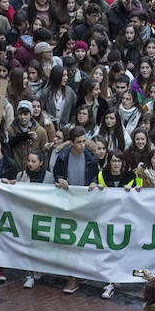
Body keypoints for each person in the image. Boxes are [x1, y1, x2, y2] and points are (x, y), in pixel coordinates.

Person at [53, 126, 99, 293]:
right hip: (68, 203)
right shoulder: (63, 156)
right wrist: (60, 178)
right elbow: (56, 172)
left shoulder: (91, 158)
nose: (82, 145)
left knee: (81, 241)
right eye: (78, 142)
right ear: (71, 143)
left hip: (85, 203)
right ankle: (72, 278)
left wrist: (94, 182)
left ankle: (79, 274)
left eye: (84, 142)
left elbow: (95, 174)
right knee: (70, 241)